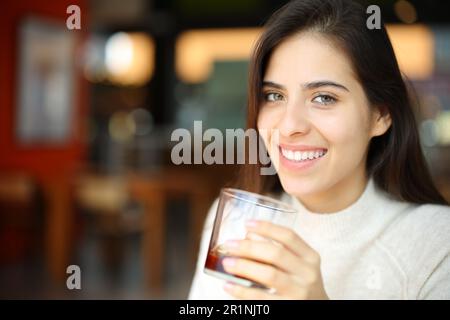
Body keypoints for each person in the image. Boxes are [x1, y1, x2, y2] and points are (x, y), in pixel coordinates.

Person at [189, 0, 450, 299]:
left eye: (324, 98)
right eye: (274, 95)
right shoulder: (235, 221)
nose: (289, 126)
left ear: (381, 115)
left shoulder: (436, 244)